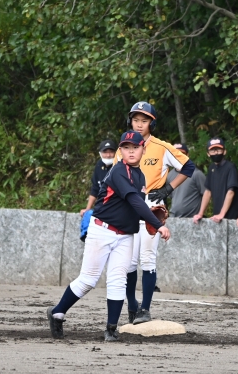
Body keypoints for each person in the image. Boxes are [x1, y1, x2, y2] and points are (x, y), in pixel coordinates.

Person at [47, 131, 170, 342]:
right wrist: (157, 224)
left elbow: (135, 206)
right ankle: (57, 313)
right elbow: (134, 200)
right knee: (88, 280)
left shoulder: (141, 176)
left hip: (125, 235)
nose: (131, 151)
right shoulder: (119, 171)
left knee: (118, 280)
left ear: (143, 149)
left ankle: (111, 329)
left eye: (135, 147)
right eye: (126, 147)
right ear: (121, 151)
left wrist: (148, 217)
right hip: (102, 230)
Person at [115, 101, 195, 325]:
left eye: (144, 120)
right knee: (129, 262)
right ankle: (132, 304)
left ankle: (145, 309)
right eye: (136, 120)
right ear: (130, 121)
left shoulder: (161, 147)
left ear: (152, 123)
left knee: (147, 259)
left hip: (151, 205)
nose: (139, 124)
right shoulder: (124, 147)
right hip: (128, 207)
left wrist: (169, 188)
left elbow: (188, 167)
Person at [192, 138, 238, 224]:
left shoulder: (230, 167)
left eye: (218, 150)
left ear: (224, 151)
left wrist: (222, 214)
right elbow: (208, 192)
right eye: (213, 150)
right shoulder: (212, 168)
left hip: (231, 218)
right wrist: (200, 213)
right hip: (217, 217)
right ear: (208, 154)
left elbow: (231, 192)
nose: (216, 153)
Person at [167, 143, 206, 218]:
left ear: (187, 155)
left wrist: (201, 213)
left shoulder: (196, 174)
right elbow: (171, 196)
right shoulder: (169, 175)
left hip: (193, 219)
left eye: (182, 153)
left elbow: (206, 194)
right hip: (173, 217)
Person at [80, 139, 117, 217]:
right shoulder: (99, 165)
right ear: (100, 153)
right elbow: (95, 188)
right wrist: (87, 209)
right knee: (87, 216)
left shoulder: (119, 166)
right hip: (102, 206)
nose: (108, 155)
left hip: (116, 207)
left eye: (111, 152)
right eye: (105, 152)